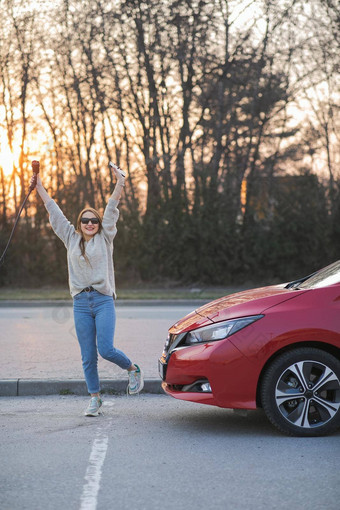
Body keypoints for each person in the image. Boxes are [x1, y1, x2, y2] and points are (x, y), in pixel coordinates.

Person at [33, 162, 144, 416]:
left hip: (103, 300)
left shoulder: (105, 237)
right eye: (86, 220)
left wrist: (120, 182)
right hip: (80, 303)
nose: (90, 223)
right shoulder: (70, 238)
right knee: (87, 356)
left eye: (94, 220)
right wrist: (39, 186)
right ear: (79, 223)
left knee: (106, 349)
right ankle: (95, 398)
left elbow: (112, 209)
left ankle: (132, 369)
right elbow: (54, 211)